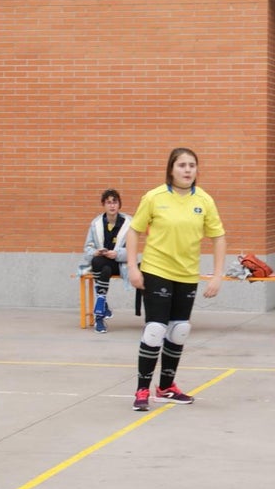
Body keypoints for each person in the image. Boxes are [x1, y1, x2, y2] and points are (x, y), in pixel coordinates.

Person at [125, 148, 226, 411]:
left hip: (187, 274)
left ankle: (166, 387)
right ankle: (142, 389)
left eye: (192, 165)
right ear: (171, 169)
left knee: (179, 330)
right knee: (155, 329)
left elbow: (218, 237)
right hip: (156, 270)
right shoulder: (154, 197)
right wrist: (132, 268)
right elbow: (134, 231)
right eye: (182, 165)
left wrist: (217, 275)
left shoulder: (204, 200)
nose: (187, 170)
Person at [82, 188, 133, 334]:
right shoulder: (96, 223)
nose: (112, 205)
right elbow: (88, 248)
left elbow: (132, 250)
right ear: (103, 205)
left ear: (119, 204)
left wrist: (117, 254)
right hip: (103, 266)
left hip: (120, 264)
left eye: (114, 202)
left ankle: (101, 309)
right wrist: (96, 252)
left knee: (99, 263)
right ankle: (100, 310)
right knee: (100, 264)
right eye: (108, 202)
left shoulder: (129, 223)